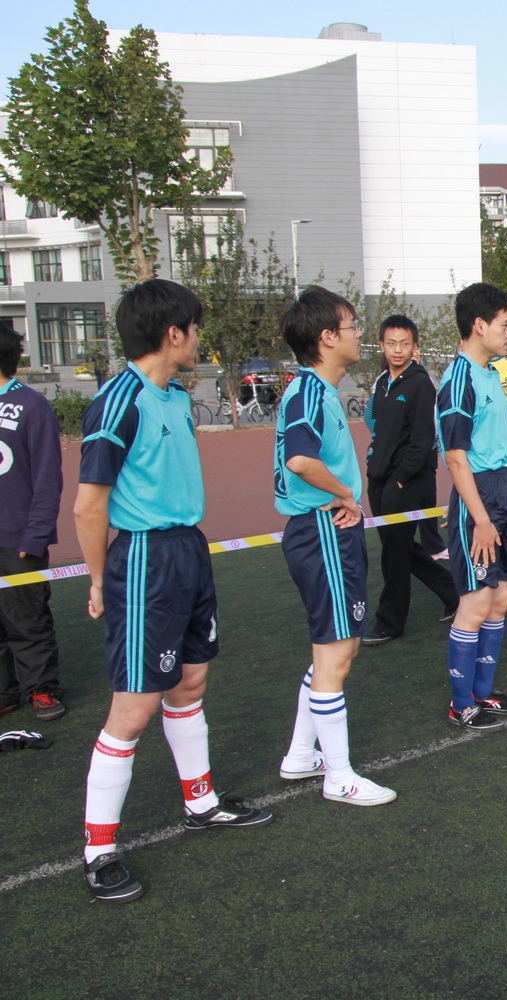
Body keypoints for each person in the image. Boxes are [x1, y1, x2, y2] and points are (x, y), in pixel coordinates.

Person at [76, 279, 272, 903]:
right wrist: (98, 581)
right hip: (144, 559)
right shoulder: (117, 402)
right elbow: (89, 506)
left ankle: (201, 802)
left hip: (188, 549)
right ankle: (99, 851)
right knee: (133, 708)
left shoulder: (176, 398)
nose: (197, 338)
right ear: (172, 333)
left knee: (189, 683)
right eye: (193, 328)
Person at [274, 286, 396, 807]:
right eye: (351, 326)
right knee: (336, 654)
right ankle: (339, 777)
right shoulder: (307, 391)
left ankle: (302, 755)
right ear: (327, 337)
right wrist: (345, 493)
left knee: (335, 647)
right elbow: (301, 461)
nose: (359, 334)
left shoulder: (315, 390)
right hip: (321, 530)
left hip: (327, 530)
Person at [435, 283, 507, 731]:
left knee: (501, 598)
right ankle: (461, 704)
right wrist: (479, 519)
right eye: (504, 324)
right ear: (479, 325)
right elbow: (456, 458)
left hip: (505, 488)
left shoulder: (491, 373)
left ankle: (483, 692)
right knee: (475, 602)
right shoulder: (458, 380)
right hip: (480, 496)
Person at [362, 316, 459, 646]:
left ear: (415, 347)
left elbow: (422, 439)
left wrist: (400, 480)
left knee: (394, 554)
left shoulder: (420, 383)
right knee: (399, 547)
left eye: (404, 344)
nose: (397, 350)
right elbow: (376, 427)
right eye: (391, 343)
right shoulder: (382, 382)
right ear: (381, 345)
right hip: (379, 478)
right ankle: (454, 593)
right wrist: (376, 466)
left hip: (407, 481)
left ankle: (389, 623)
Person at [0, 320, 65, 720]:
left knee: (27, 617)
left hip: (17, 536)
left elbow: (47, 476)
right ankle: (4, 692)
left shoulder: (32, 405)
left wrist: (36, 533)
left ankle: (42, 688)